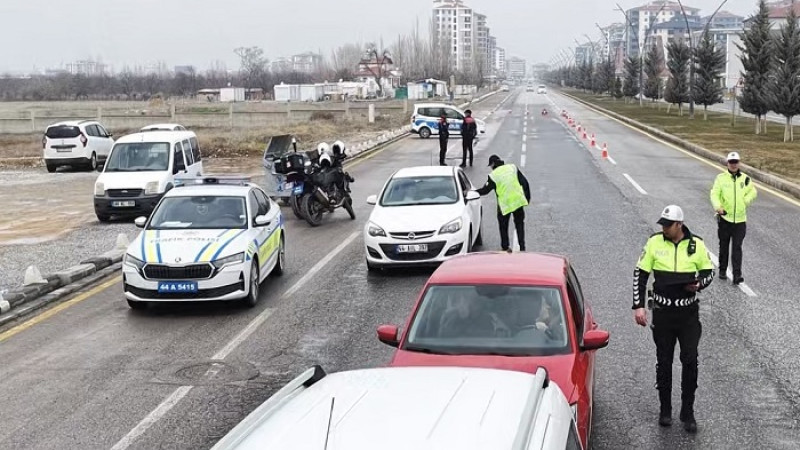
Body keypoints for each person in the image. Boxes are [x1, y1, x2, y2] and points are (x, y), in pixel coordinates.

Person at [633, 205, 714, 433]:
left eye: (668, 225)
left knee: (690, 361)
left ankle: (687, 411)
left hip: (688, 315)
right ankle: (665, 409)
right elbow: (640, 273)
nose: (664, 228)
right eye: (662, 224)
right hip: (663, 313)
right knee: (664, 361)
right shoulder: (654, 242)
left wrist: (699, 283)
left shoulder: (696, 244)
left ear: (679, 224)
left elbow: (709, 272)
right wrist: (638, 306)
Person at [710, 151, 757, 285]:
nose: (733, 164)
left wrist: (745, 201)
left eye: (736, 162)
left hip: (740, 221)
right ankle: (723, 269)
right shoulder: (721, 178)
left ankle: (737, 275)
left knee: (737, 247)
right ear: (727, 163)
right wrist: (718, 207)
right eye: (731, 162)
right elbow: (714, 194)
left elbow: (753, 191)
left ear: (739, 163)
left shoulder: (745, 179)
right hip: (725, 219)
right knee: (724, 246)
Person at [476, 155, 531, 252]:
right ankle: (522, 247)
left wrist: (474, 192)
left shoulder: (493, 175)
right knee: (519, 224)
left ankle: (505, 247)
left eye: (490, 166)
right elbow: (525, 183)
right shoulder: (512, 168)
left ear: (493, 164)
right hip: (518, 201)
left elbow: (485, 190)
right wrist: (527, 198)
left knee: (503, 226)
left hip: (504, 205)